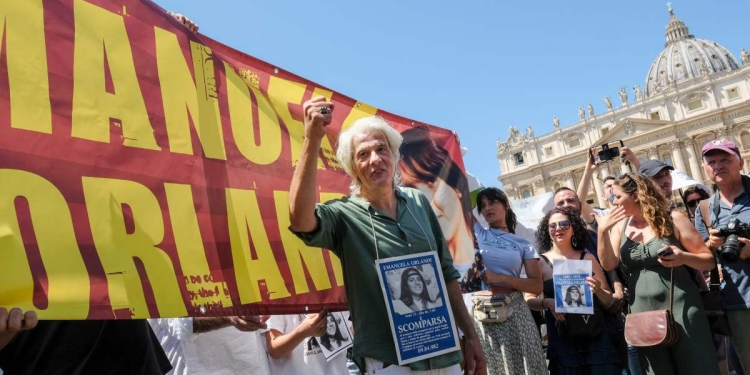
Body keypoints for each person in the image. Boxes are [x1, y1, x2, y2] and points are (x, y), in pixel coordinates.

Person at [288, 97, 486, 375]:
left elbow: (446, 273)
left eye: (382, 149)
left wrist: (472, 338)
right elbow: (300, 220)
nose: (375, 159)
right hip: (389, 362)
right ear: (352, 167)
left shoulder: (418, 202)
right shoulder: (343, 214)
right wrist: (312, 138)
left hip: (443, 352)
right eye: (363, 154)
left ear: (395, 156)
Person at [598, 173, 719, 374]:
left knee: (697, 367)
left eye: (617, 197)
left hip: (682, 309)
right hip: (643, 314)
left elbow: (708, 260)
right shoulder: (620, 226)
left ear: (635, 195)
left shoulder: (673, 218)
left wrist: (683, 257)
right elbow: (609, 264)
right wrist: (602, 231)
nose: (614, 202)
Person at [527, 206, 622, 375]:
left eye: (564, 224)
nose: (558, 229)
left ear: (573, 228)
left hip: (594, 336)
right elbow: (528, 299)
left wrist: (598, 290)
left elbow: (608, 302)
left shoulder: (588, 257)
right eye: (553, 226)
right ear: (547, 230)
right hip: (562, 339)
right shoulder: (540, 262)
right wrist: (547, 302)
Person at [471, 187, 547, 375]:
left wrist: (501, 279)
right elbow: (454, 199)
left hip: (516, 313)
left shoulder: (524, 243)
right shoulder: (477, 232)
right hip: (483, 313)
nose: (487, 208)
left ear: (506, 205)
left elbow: (536, 285)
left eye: (493, 202)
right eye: (482, 205)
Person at [695, 139, 750, 373]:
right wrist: (711, 244)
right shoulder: (705, 209)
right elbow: (703, 258)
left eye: (725, 159)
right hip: (736, 303)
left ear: (740, 162)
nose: (718, 166)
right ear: (706, 169)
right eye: (712, 162)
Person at [399, 126, 475, 273]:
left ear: (457, 186)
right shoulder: (419, 274)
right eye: (412, 192)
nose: (428, 203)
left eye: (431, 182)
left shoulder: (487, 256)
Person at [148, 316, 270, 375]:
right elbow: (182, 325)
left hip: (250, 367)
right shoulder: (160, 268)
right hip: (197, 369)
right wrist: (230, 318)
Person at [264, 311, 350, 375]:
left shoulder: (334, 292)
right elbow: (274, 349)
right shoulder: (278, 299)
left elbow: (351, 331)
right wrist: (303, 332)